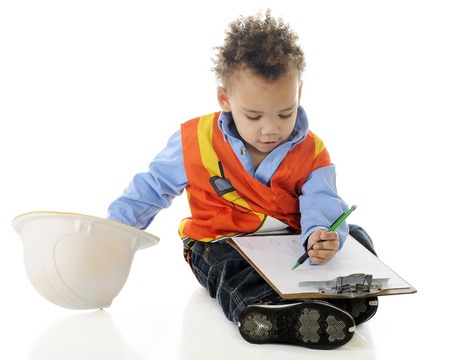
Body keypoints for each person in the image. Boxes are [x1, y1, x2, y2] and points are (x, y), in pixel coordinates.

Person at [107, 9, 377, 350]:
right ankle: (267, 310)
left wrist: (321, 237)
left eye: (285, 113)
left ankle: (337, 297)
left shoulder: (312, 150)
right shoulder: (196, 139)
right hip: (222, 241)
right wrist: (111, 233)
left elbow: (322, 203)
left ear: (299, 94)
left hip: (292, 243)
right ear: (225, 100)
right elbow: (150, 189)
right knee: (224, 264)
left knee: (355, 235)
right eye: (254, 115)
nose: (271, 128)